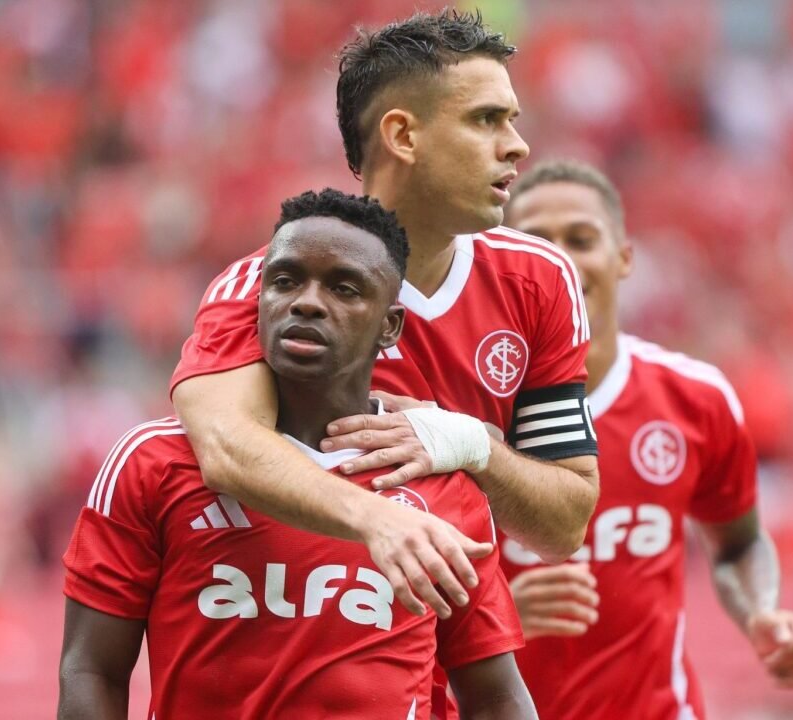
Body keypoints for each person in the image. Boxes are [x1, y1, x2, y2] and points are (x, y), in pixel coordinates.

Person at [170, 8, 599, 621]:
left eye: (512, 120)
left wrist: (472, 445)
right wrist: (382, 521)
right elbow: (226, 447)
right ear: (403, 136)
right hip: (295, 646)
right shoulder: (266, 287)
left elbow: (565, 523)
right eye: (486, 120)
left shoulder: (539, 279)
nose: (517, 145)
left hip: (451, 661)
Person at [58, 189, 537, 720]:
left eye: (344, 288)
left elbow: (494, 696)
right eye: (284, 281)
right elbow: (92, 670)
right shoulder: (153, 461)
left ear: (390, 326)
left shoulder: (441, 484)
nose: (307, 301)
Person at [499, 161, 793, 719]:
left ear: (623, 258)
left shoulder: (695, 399)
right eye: (536, 242)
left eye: (580, 238)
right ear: (501, 263)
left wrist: (760, 612)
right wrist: (493, 618)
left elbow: (739, 544)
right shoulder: (462, 408)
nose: (560, 260)